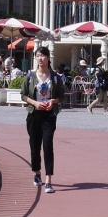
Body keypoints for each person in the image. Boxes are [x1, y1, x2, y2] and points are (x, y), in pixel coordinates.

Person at [22, 47, 65, 194]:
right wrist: (34, 103)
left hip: (49, 116)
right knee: (35, 147)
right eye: (38, 56)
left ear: (48, 58)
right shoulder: (30, 76)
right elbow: (23, 95)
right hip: (34, 115)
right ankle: (37, 173)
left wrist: (53, 101)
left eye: (43, 56)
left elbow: (62, 96)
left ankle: (48, 180)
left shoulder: (55, 77)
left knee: (48, 146)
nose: (40, 58)